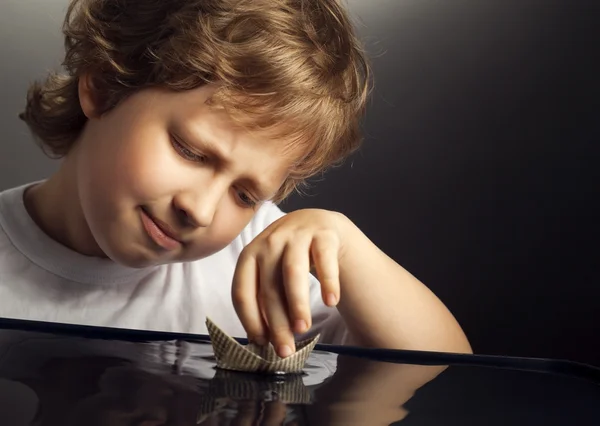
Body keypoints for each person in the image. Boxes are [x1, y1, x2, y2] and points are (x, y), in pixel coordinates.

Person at [0, 0, 471, 358]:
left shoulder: (256, 256)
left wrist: (346, 247)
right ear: (102, 87)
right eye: (190, 151)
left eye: (245, 194)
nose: (200, 210)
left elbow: (445, 369)